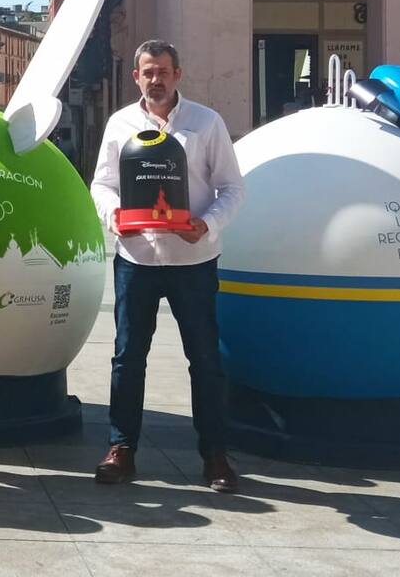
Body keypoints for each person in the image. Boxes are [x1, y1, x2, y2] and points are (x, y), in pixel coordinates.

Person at [90, 40, 245, 493]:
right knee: (127, 357)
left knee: (205, 360)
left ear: (178, 75)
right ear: (135, 77)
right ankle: (121, 449)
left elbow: (233, 189)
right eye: (147, 72)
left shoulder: (207, 123)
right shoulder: (120, 124)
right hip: (136, 259)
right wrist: (114, 217)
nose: (155, 79)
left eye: (163, 71)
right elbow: (102, 184)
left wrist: (208, 224)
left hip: (193, 259)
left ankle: (215, 454)